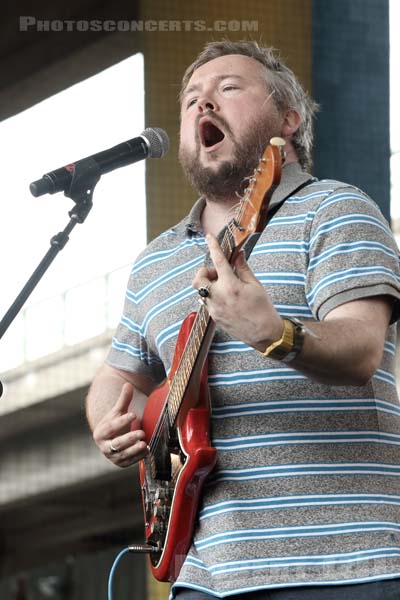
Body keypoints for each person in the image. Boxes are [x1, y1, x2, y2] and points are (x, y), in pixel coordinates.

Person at [86, 40, 400, 599]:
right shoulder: (155, 261)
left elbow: (361, 350)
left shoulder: (335, 208)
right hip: (205, 578)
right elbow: (118, 376)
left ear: (289, 118)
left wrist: (273, 334)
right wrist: (107, 424)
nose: (204, 104)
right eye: (191, 100)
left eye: (228, 89)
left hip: (347, 563)